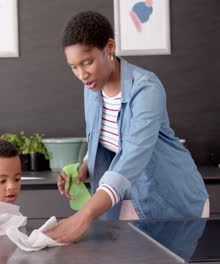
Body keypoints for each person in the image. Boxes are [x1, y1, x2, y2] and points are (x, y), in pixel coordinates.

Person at [46, 11, 209, 243]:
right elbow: (107, 139)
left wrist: (83, 217)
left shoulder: (146, 89)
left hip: (172, 201)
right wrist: (85, 165)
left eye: (87, 62)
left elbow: (131, 156)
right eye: (73, 67)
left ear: (109, 47)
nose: (81, 74)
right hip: (127, 198)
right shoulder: (92, 87)